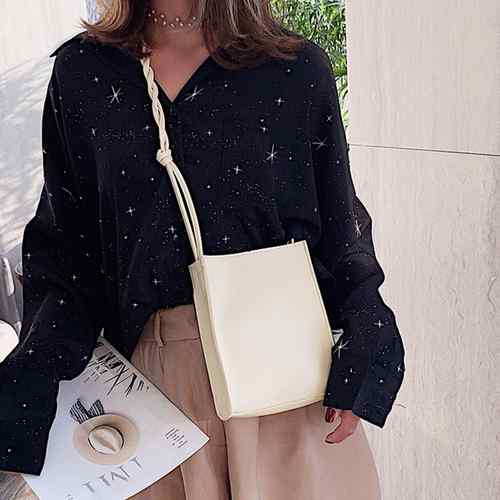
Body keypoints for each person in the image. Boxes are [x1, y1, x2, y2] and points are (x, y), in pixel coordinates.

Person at [0, 0, 406, 498]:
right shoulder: (84, 73)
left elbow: (340, 233)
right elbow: (67, 255)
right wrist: (32, 380)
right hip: (150, 408)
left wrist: (366, 339)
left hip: (286, 389)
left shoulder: (294, 69)